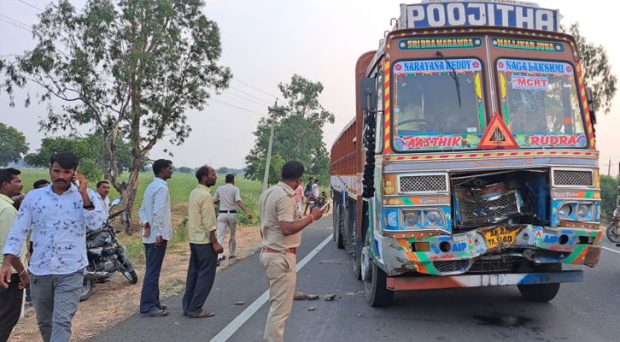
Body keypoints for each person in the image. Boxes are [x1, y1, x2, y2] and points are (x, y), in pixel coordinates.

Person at [0, 153, 105, 342]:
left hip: (71, 269)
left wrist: (84, 196)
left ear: (75, 173)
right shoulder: (34, 198)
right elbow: (18, 231)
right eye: (57, 171)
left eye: (67, 172)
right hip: (40, 270)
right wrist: (7, 262)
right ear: (50, 170)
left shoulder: (88, 196)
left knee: (62, 321)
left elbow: (97, 223)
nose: (61, 176)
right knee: (45, 322)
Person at [259, 160, 324, 342]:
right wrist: (312, 217)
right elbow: (286, 228)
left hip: (269, 252)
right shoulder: (285, 197)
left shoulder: (269, 192)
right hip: (281, 256)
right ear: (298, 180)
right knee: (280, 311)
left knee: (276, 306)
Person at [182, 165, 224, 318]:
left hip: (195, 240)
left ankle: (188, 306)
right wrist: (215, 242)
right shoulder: (206, 196)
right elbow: (209, 223)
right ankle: (196, 308)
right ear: (204, 177)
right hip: (205, 241)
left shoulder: (194, 192)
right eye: (213, 174)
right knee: (205, 276)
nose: (216, 176)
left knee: (193, 274)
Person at [138, 159, 174, 317]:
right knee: (153, 272)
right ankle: (147, 306)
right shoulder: (161, 188)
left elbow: (142, 210)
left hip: (149, 235)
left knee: (153, 270)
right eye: (169, 168)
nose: (171, 171)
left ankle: (154, 302)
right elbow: (158, 212)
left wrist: (146, 223)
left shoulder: (151, 187)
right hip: (157, 237)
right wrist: (158, 232)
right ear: (162, 170)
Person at [0, 168, 28, 342]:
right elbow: (10, 247)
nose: (21, 184)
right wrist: (23, 273)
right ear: (5, 185)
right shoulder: (7, 210)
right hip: (9, 274)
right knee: (7, 318)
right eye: (17, 181)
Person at [213, 174, 252, 261]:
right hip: (232, 214)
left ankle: (219, 255)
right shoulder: (235, 189)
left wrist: (220, 201)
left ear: (225, 180)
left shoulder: (219, 188)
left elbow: (214, 200)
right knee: (232, 235)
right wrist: (246, 211)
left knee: (220, 235)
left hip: (222, 214)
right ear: (233, 180)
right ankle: (232, 253)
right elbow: (238, 201)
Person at [24, 179, 50, 306]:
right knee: (35, 267)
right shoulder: (33, 202)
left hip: (51, 242)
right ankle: (30, 295)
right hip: (37, 241)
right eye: (43, 188)